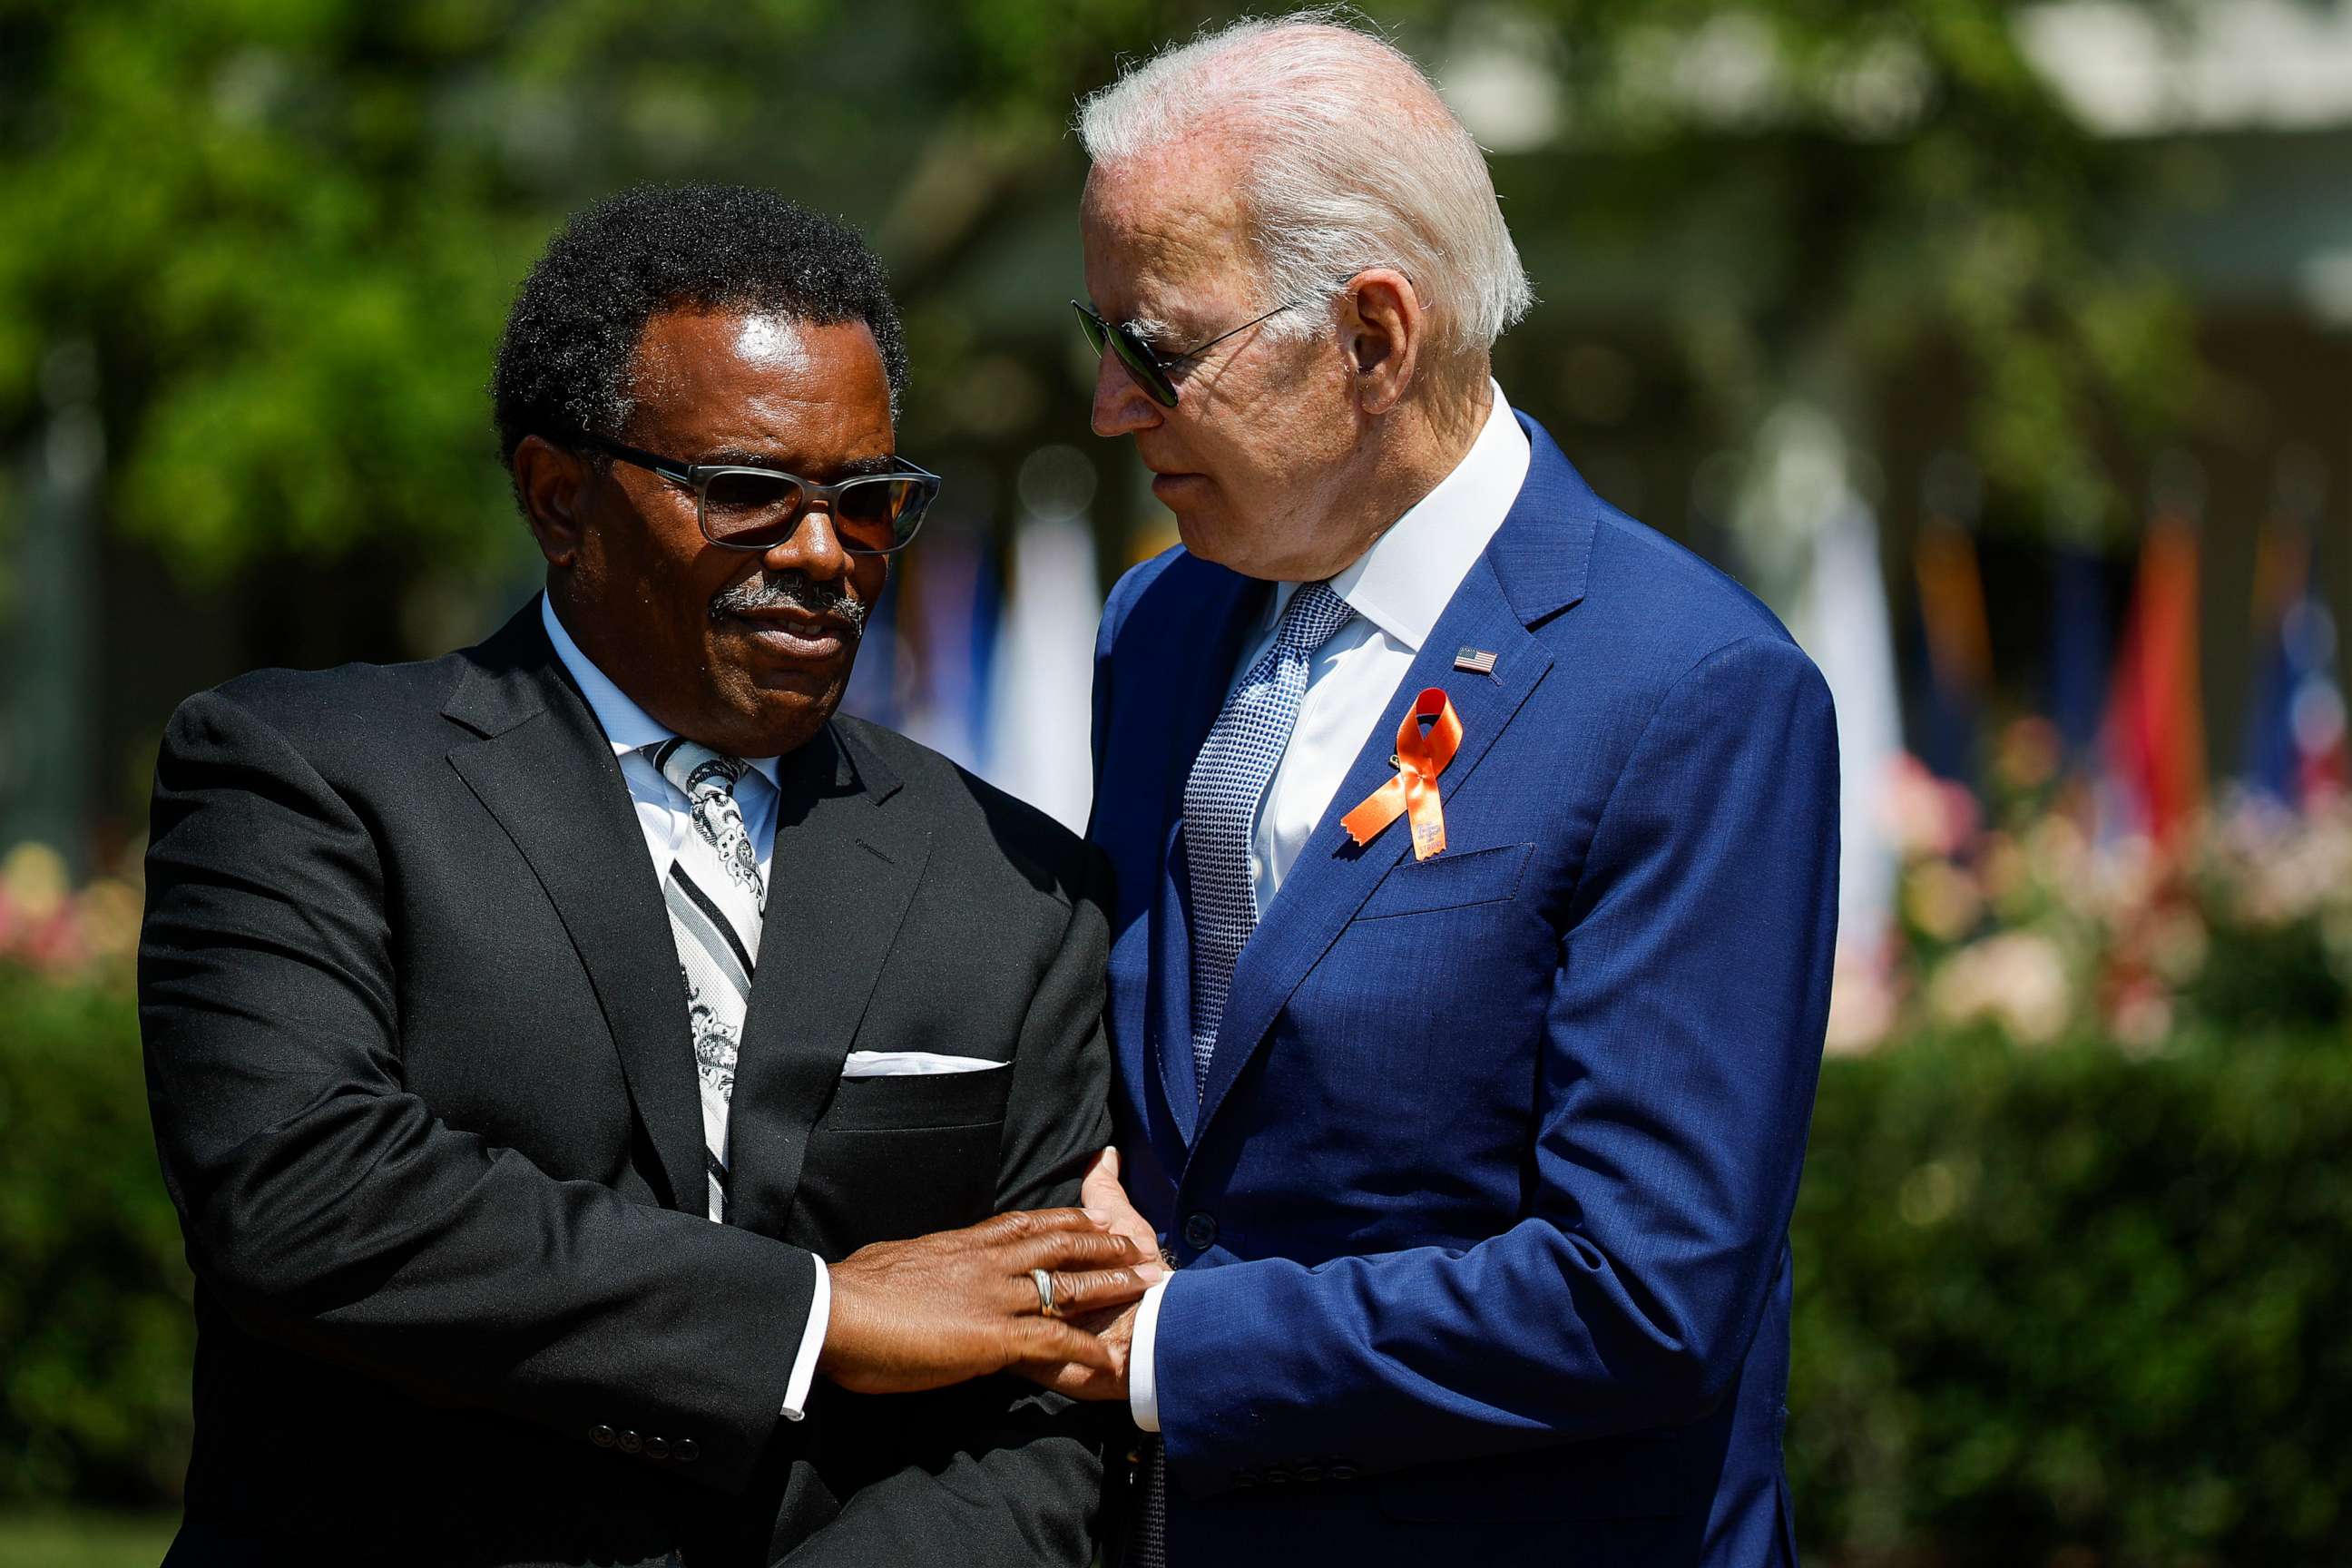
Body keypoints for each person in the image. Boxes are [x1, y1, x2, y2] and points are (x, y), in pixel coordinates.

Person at [138, 184, 1153, 1568]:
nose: (821, 555)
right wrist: (819, 1315)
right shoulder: (305, 778)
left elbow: (1042, 1388)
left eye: (867, 503)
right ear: (561, 500)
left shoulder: (1018, 884)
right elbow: (309, 1197)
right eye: (748, 492)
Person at [1063, 16, 1841, 1566]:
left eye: (1161, 349)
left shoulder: (1689, 690)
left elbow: (1644, 1293)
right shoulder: (1161, 625)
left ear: (1373, 338)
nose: (1109, 406)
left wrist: (1173, 1350)